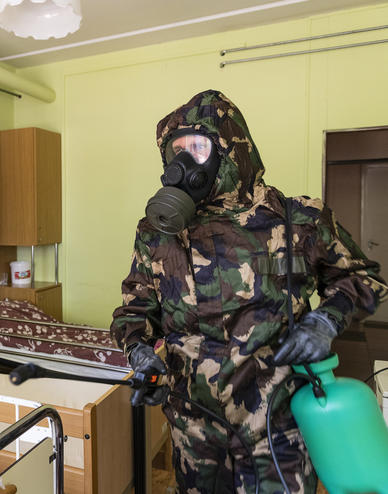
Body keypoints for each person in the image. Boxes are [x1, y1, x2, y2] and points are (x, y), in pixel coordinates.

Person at [110, 89, 387, 494]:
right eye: (177, 151)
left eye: (198, 147)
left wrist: (325, 322)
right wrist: (139, 352)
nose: (184, 162)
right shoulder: (157, 233)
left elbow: (361, 278)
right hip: (193, 429)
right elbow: (134, 311)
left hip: (278, 427)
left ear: (231, 150)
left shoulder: (298, 219)